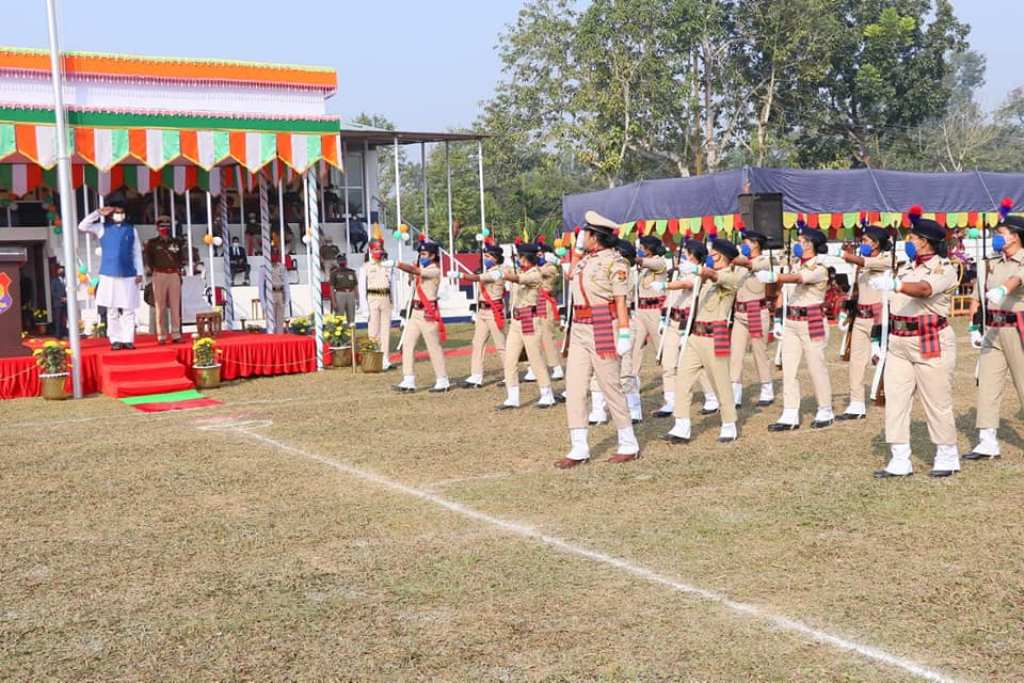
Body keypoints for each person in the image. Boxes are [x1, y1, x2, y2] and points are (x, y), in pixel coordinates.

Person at [872, 212, 960, 478]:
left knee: (936, 400)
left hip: (929, 338)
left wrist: (896, 284)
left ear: (926, 241)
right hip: (899, 341)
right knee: (896, 400)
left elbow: (923, 290)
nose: (908, 240)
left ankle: (947, 454)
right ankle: (900, 458)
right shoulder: (906, 265)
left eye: (912, 237)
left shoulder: (944, 268)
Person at [556, 210, 639, 469]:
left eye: (586, 233)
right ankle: (579, 447)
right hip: (580, 327)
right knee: (576, 387)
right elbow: (572, 276)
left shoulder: (616, 262)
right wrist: (572, 254)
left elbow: (620, 300)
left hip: (604, 323)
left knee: (610, 386)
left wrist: (624, 332)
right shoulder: (586, 260)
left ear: (596, 237)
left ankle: (628, 443)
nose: (582, 236)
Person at [664, 238, 741, 443]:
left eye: (712, 253)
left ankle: (729, 424)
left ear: (721, 256)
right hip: (695, 335)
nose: (709, 256)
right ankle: (681, 425)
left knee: (720, 382)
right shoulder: (708, 278)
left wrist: (698, 270)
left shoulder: (730, 278)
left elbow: (714, 275)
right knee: (683, 379)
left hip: (715, 335)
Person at [761, 227, 834, 430]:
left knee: (815, 367)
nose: (798, 244)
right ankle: (790, 413)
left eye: (802, 241)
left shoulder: (819, 268)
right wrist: (777, 319)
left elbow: (799, 279)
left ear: (813, 245)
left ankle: (825, 409)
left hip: (812, 320)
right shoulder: (792, 266)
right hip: (791, 321)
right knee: (789, 369)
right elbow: (783, 293)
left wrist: (775, 276)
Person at [966, 213, 1024, 461]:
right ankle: (987, 441)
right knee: (987, 384)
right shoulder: (992, 262)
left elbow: (1017, 278)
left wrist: (1003, 290)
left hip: (1018, 329)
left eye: (1001, 234)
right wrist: (973, 322)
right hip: (993, 328)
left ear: (1016, 236)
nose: (996, 238)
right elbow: (979, 291)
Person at [654, 239, 719, 417]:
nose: (684, 256)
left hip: (688, 324)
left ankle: (712, 396)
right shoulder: (680, 273)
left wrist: (664, 285)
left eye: (687, 254)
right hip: (672, 322)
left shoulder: (699, 274)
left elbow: (687, 285)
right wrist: (662, 317)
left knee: (696, 365)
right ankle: (670, 400)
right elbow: (672, 296)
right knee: (668, 363)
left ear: (694, 255)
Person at [837, 226, 892, 420]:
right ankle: (856, 403)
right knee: (856, 361)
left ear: (877, 243)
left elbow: (866, 261)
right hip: (860, 317)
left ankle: (889, 395)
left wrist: (844, 255)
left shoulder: (886, 260)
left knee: (884, 360)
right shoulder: (860, 266)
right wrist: (846, 312)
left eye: (867, 240)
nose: (863, 244)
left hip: (879, 320)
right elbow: (855, 290)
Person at [78, 201, 143, 350]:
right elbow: (82, 226)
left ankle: (128, 339)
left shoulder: (131, 230)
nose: (119, 215)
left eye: (122, 212)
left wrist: (139, 272)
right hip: (109, 274)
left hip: (128, 274)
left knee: (128, 309)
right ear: (111, 214)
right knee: (112, 309)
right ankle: (115, 340)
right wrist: (98, 213)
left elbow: (137, 253)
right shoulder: (102, 228)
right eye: (116, 212)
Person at [498, 242, 556, 409]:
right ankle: (512, 397)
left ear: (526, 258)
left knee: (535, 358)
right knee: (510, 359)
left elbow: (519, 279)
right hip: (516, 320)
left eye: (520, 257)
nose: (518, 260)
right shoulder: (522, 271)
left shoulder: (536, 274)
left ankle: (547, 394)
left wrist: (504, 275)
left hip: (529, 319)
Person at [394, 236, 450, 393]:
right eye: (420, 254)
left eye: (424, 254)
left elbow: (417, 271)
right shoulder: (422, 269)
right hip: (415, 313)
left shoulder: (434, 270)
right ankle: (408, 379)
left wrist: (399, 265)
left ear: (432, 256)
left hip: (428, 313)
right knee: (407, 345)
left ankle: (442, 379)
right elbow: (413, 278)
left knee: (433, 347)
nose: (421, 257)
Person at [624, 234, 669, 422]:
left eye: (643, 247)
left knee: (665, 354)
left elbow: (650, 263)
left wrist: (631, 257)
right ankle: (632, 401)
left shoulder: (660, 263)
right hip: (640, 312)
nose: (641, 249)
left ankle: (671, 398)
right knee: (633, 353)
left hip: (656, 311)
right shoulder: (639, 269)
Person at [729, 230, 774, 408]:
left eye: (746, 241)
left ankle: (766, 388)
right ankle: (735, 393)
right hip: (739, 313)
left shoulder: (763, 260)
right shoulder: (739, 262)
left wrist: (730, 255)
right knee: (735, 354)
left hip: (756, 310)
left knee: (759, 353)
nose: (743, 244)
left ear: (756, 243)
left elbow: (749, 265)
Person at [460, 242, 507, 388]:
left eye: (488, 256)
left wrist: (461, 275)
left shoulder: (498, 271)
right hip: (482, 311)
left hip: (494, 311)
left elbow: (480, 278)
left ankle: (509, 374)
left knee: (501, 345)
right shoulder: (488, 271)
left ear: (496, 258)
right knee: (477, 343)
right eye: (484, 256)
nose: (485, 258)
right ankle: (476, 375)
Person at [525, 238, 565, 382]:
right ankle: (532, 367)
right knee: (531, 336)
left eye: (541, 254)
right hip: (532, 302)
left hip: (544, 302)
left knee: (547, 336)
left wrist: (550, 260)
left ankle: (556, 367)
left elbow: (540, 274)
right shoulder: (534, 268)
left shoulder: (550, 267)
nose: (538, 257)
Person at [143, 215, 184, 344]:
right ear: (157, 227)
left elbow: (181, 258)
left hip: (173, 274)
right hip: (159, 274)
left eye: (167, 225)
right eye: (162, 225)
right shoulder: (152, 243)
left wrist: (178, 272)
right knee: (160, 305)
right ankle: (161, 335)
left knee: (175, 305)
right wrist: (154, 271)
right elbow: (149, 259)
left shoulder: (176, 242)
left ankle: (176, 334)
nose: (164, 227)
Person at [359, 241, 395, 371]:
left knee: (386, 330)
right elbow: (362, 289)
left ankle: (385, 359)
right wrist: (364, 309)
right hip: (372, 299)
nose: (378, 252)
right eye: (375, 249)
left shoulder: (387, 265)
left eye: (380, 249)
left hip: (385, 298)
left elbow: (392, 285)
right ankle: (374, 358)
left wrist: (393, 302)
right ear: (370, 250)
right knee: (373, 331)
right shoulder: (365, 267)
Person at [260, 248, 291, 334]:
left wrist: (287, 298)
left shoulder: (282, 267)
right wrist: (263, 302)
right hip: (270, 293)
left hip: (280, 293)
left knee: (280, 319)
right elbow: (261, 286)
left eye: (276, 253)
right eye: (273, 253)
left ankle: (280, 336)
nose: (274, 255)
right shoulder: (264, 268)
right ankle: (271, 336)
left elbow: (286, 283)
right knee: (270, 318)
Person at [330, 254, 358, 323]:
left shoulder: (352, 272)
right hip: (340, 294)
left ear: (346, 261)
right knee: (339, 316)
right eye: (340, 260)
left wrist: (357, 298)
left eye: (344, 260)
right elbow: (331, 288)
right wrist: (333, 302)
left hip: (351, 294)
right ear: (337, 262)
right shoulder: (334, 273)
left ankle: (352, 333)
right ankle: (339, 333)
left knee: (351, 316)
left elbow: (355, 285)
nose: (342, 262)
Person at [49, 265, 68, 339]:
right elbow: (53, 292)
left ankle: (65, 334)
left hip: (67, 303)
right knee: (58, 319)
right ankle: (58, 335)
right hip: (58, 304)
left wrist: (67, 298)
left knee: (65, 320)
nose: (62, 272)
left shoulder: (67, 280)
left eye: (63, 271)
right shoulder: (54, 281)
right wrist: (61, 298)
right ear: (57, 272)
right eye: (60, 271)